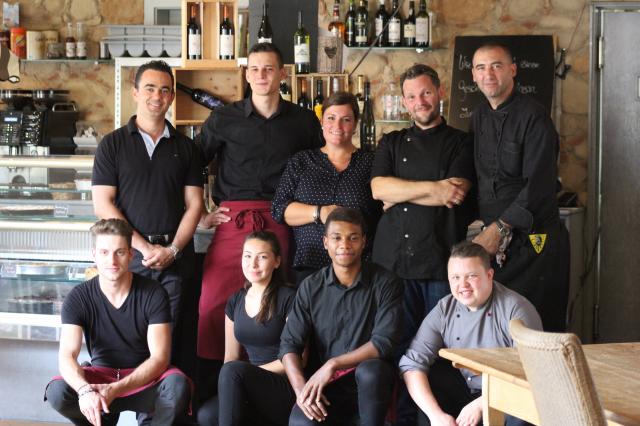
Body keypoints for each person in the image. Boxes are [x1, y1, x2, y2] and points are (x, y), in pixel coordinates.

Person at [197, 42, 322, 369]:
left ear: (282, 74)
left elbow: (319, 166)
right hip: (233, 219)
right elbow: (192, 164)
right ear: (247, 74)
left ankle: (275, 375)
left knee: (278, 302)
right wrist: (200, 214)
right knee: (211, 301)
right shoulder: (223, 118)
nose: (261, 75)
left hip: (283, 218)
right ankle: (218, 379)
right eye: (255, 69)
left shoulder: (304, 121)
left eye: (269, 69)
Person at [370, 64, 475, 425]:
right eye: (412, 96)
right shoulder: (391, 141)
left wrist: (401, 192)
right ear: (404, 102)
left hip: (440, 265)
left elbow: (456, 193)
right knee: (399, 349)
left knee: (442, 352)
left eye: (426, 93)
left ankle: (439, 419)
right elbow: (378, 189)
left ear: (440, 92)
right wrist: (435, 189)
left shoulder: (461, 141)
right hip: (393, 265)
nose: (420, 101)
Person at [91, 60, 204, 364]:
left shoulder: (187, 148)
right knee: (130, 339)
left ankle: (165, 397)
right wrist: (143, 248)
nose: (157, 96)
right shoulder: (112, 145)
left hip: (175, 261)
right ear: (136, 93)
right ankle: (130, 391)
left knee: (170, 343)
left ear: (172, 97)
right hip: (128, 258)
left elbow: (195, 204)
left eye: (165, 90)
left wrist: (172, 249)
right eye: (150, 88)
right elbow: (103, 204)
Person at [45, 219, 190, 425]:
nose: (111, 261)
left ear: (131, 254)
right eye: (104, 252)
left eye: (119, 252)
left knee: (177, 386)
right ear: (94, 255)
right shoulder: (78, 297)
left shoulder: (154, 293)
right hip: (100, 378)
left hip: (144, 380)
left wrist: (116, 389)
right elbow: (67, 356)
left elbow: (160, 359)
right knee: (58, 391)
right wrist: (85, 390)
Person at [469, 42, 570, 332]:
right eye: (481, 68)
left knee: (536, 329)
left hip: (534, 242)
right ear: (473, 76)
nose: (488, 74)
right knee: (500, 330)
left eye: (496, 66)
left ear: (512, 70)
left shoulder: (534, 116)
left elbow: (539, 185)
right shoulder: (478, 116)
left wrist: (499, 228)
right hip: (499, 243)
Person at [280, 207, 403, 426]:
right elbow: (289, 344)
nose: (344, 245)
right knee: (301, 422)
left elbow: (383, 343)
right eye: (337, 238)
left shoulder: (386, 283)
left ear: (364, 241)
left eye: (353, 238)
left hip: (371, 385)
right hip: (329, 385)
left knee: (371, 371)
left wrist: (334, 363)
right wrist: (301, 391)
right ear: (326, 242)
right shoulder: (310, 286)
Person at [400, 241, 542, 426]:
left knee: (522, 406)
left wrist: (482, 404)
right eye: (455, 277)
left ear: (489, 275)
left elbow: (532, 374)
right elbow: (412, 364)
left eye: (471, 276)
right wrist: (436, 416)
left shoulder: (516, 309)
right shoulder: (444, 308)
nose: (463, 285)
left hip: (508, 394)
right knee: (432, 379)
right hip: (467, 389)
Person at [271, 91, 382, 285]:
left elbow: (382, 213)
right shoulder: (302, 161)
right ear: (321, 121)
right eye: (331, 118)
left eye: (346, 119)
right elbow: (279, 209)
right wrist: (319, 212)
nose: (337, 126)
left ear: (355, 124)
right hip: (309, 267)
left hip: (358, 267)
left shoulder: (371, 162)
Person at [197, 231, 296, 426]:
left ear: (277, 261)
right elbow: (230, 357)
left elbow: (298, 359)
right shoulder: (235, 301)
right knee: (206, 415)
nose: (253, 264)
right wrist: (243, 376)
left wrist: (248, 373)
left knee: (232, 371)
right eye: (248, 256)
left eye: (262, 257)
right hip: (247, 381)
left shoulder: (289, 298)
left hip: (284, 385)